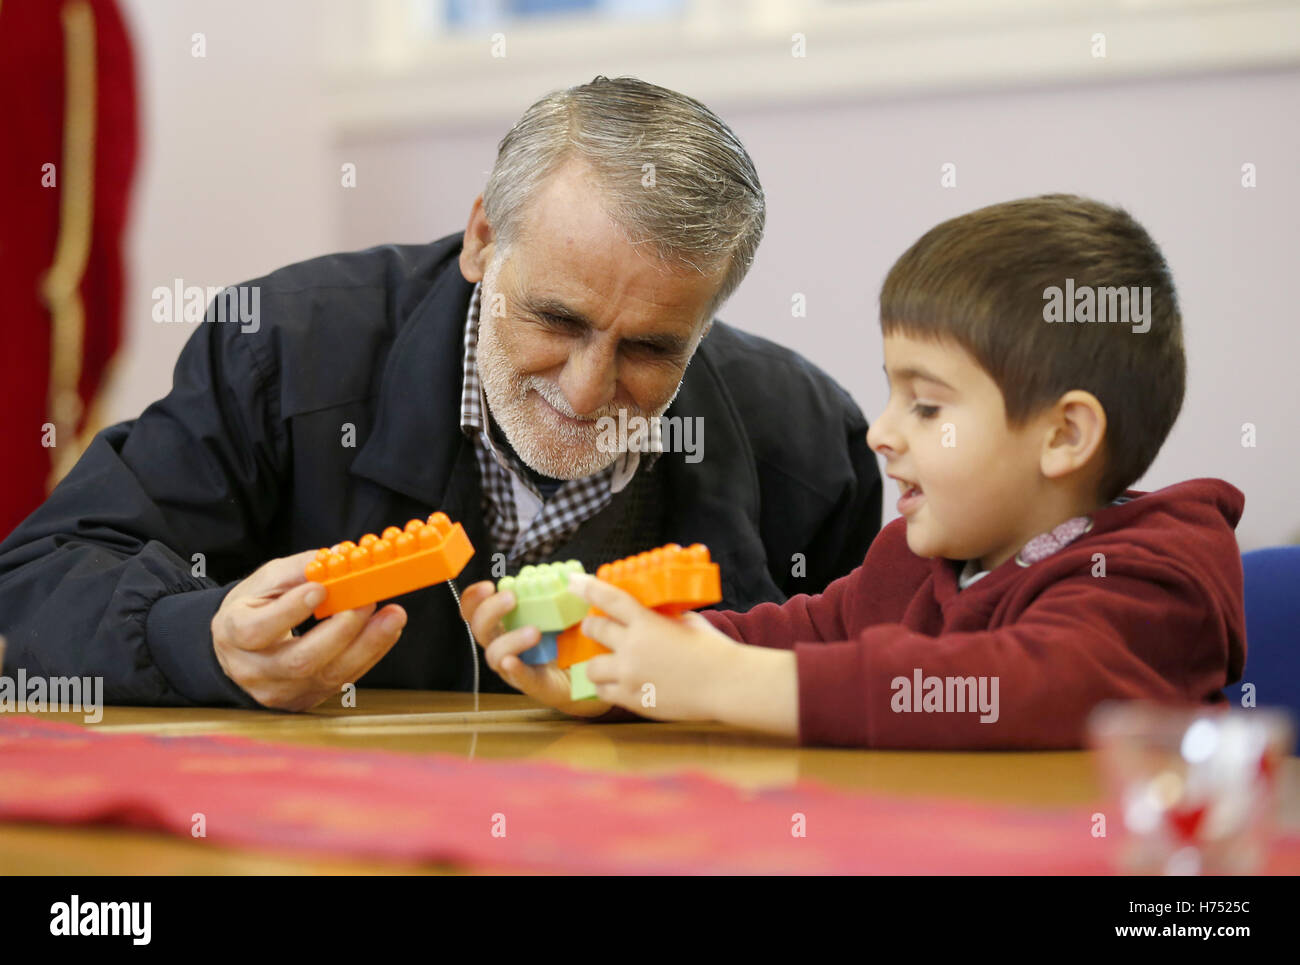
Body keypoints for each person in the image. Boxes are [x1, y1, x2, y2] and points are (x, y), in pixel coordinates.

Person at [0, 76, 881, 712]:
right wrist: (203, 642)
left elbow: (864, 689)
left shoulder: (808, 444)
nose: (587, 389)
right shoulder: (282, 348)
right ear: (482, 238)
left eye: (651, 347)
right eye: (556, 318)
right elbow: (42, 574)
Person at [463, 194, 1246, 748]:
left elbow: (1023, 684)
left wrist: (723, 684)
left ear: (1064, 434)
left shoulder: (1154, 581)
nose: (881, 433)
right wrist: (619, 670)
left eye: (928, 407)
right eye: (891, 392)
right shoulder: (918, 559)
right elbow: (798, 635)